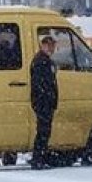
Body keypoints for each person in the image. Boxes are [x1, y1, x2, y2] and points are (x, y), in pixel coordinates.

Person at [30, 36, 59, 170]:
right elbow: (40, 83)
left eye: (52, 45)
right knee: (43, 131)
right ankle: (38, 159)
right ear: (43, 45)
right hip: (43, 102)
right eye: (49, 45)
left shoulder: (47, 61)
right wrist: (46, 98)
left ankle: (41, 157)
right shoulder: (40, 61)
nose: (51, 48)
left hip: (46, 101)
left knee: (45, 131)